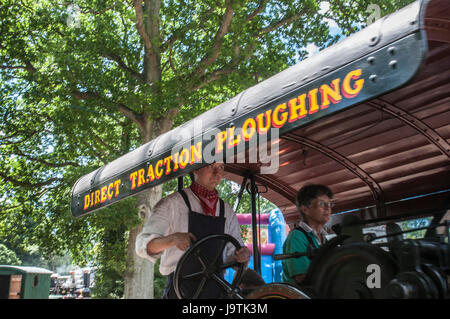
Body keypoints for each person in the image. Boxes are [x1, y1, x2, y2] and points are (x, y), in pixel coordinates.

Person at [136, 162, 251, 299]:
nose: (217, 173)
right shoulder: (172, 203)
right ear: (196, 168)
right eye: (210, 166)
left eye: (221, 167)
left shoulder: (226, 211)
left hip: (216, 291)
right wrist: (173, 239)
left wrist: (243, 256)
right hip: (179, 292)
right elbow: (142, 246)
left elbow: (235, 255)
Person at [281, 184, 334, 286]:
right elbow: (301, 277)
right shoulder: (296, 237)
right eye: (322, 204)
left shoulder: (324, 238)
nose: (328, 208)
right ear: (305, 209)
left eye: (330, 204)